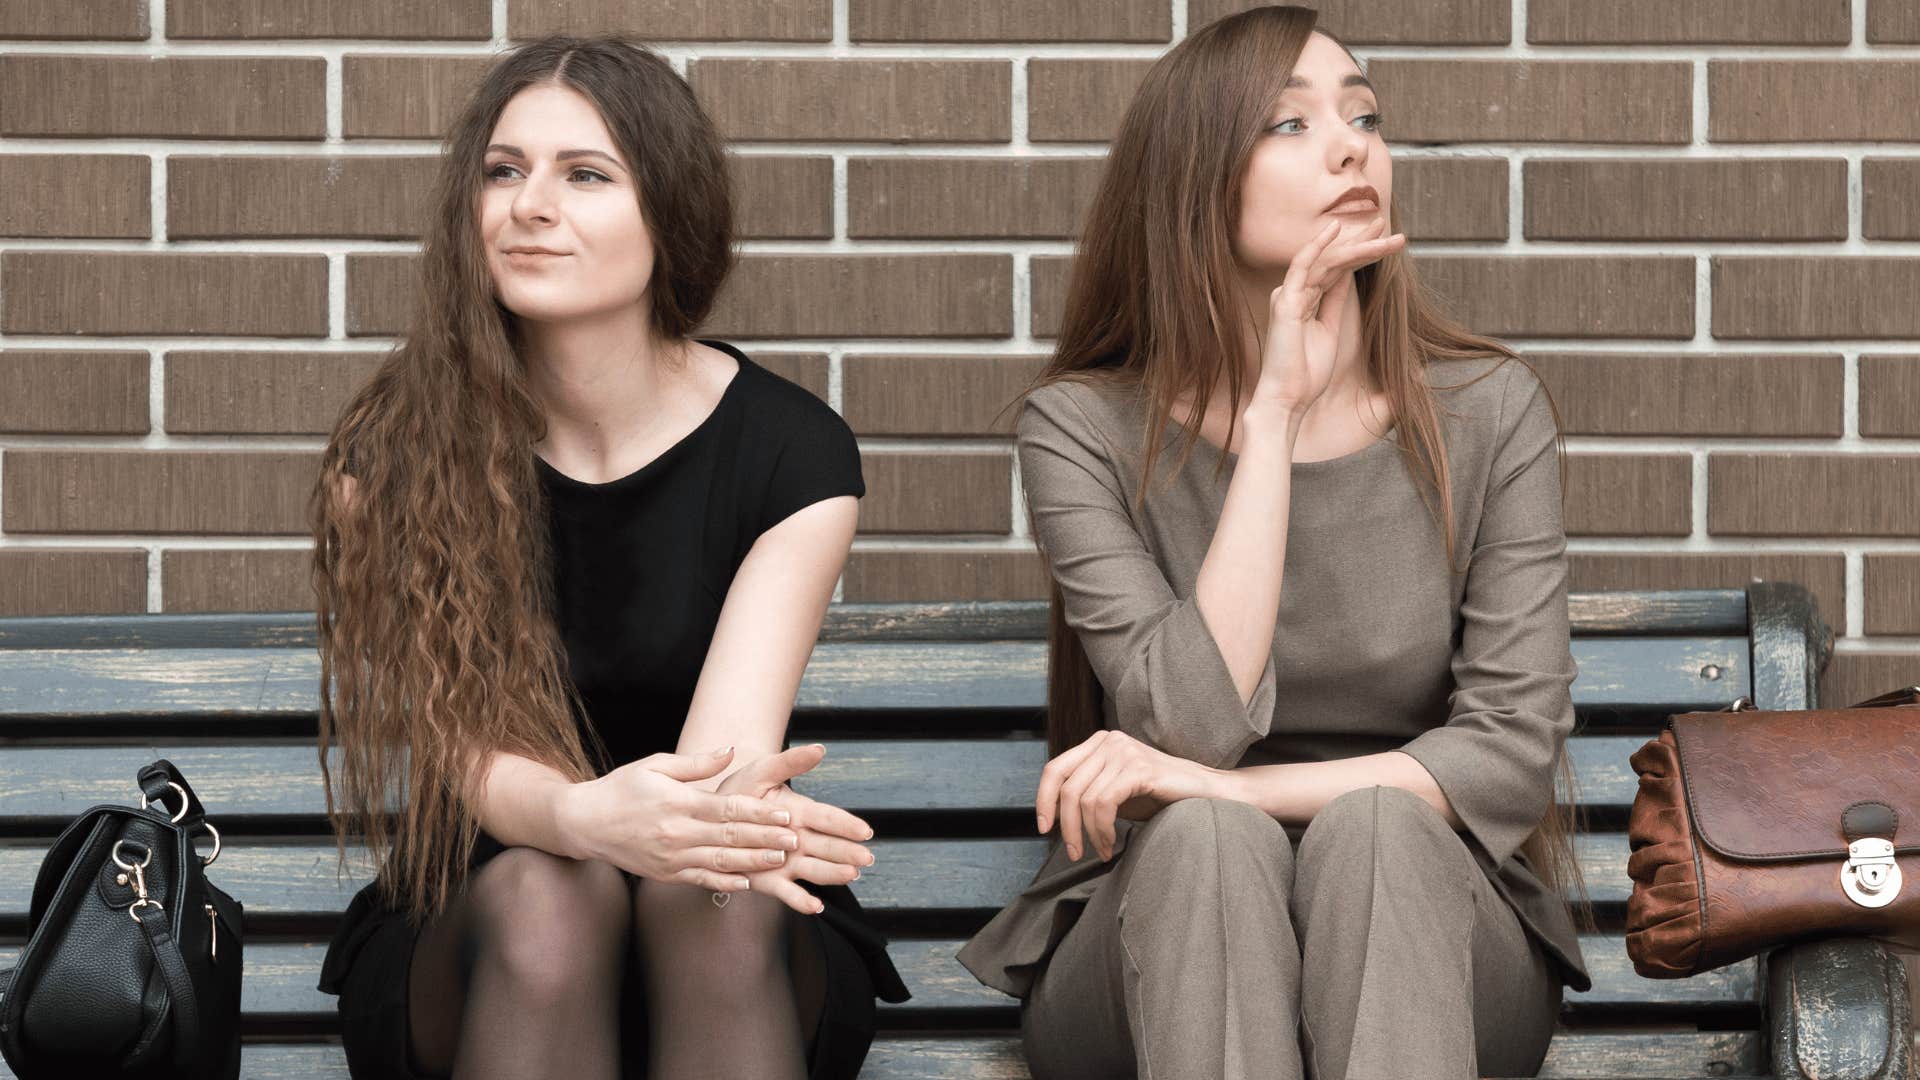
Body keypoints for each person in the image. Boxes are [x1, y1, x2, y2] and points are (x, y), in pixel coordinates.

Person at [955, 7, 1593, 1078]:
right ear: (1193, 179)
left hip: (1433, 933)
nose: (1351, 145)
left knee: (1377, 829)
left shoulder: (1490, 410)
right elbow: (1190, 726)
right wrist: (1272, 421)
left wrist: (1237, 793)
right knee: (1206, 845)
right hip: (1155, 937)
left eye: (1363, 116)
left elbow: (1509, 755)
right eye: (1289, 125)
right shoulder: (1082, 428)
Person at [308, 35, 908, 1080]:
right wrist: (582, 818)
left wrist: (674, 831)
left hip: (719, 924)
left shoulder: (788, 453)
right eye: (505, 171)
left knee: (707, 895)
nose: (530, 205)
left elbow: (719, 786)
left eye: (585, 175)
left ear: (667, 215)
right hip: (484, 922)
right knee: (553, 895)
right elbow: (464, 760)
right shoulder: (391, 451)